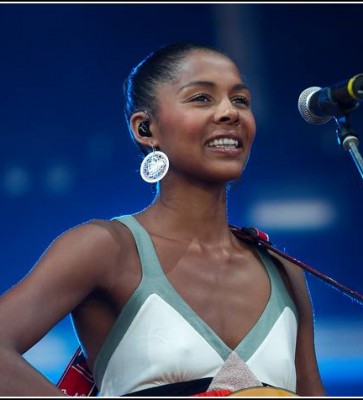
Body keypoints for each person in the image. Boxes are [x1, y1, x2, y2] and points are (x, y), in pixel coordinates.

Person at [0, 41, 326, 397]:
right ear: (145, 129)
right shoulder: (105, 248)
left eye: (241, 100)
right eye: (202, 98)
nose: (230, 113)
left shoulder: (283, 269)